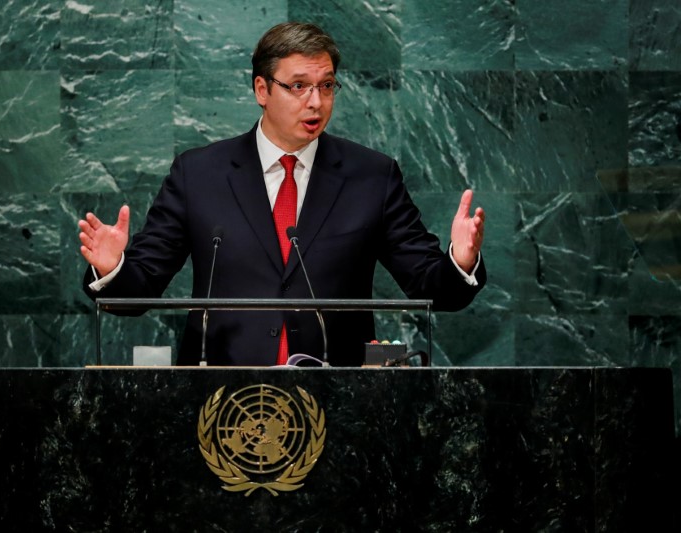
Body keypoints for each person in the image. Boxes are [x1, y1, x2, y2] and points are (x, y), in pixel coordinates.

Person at [78, 22, 486, 366]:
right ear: (262, 90)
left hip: (341, 398)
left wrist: (460, 262)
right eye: (298, 86)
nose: (316, 102)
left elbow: (429, 286)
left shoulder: (372, 176)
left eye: (326, 86)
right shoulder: (199, 173)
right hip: (219, 397)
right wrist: (112, 268)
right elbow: (139, 289)